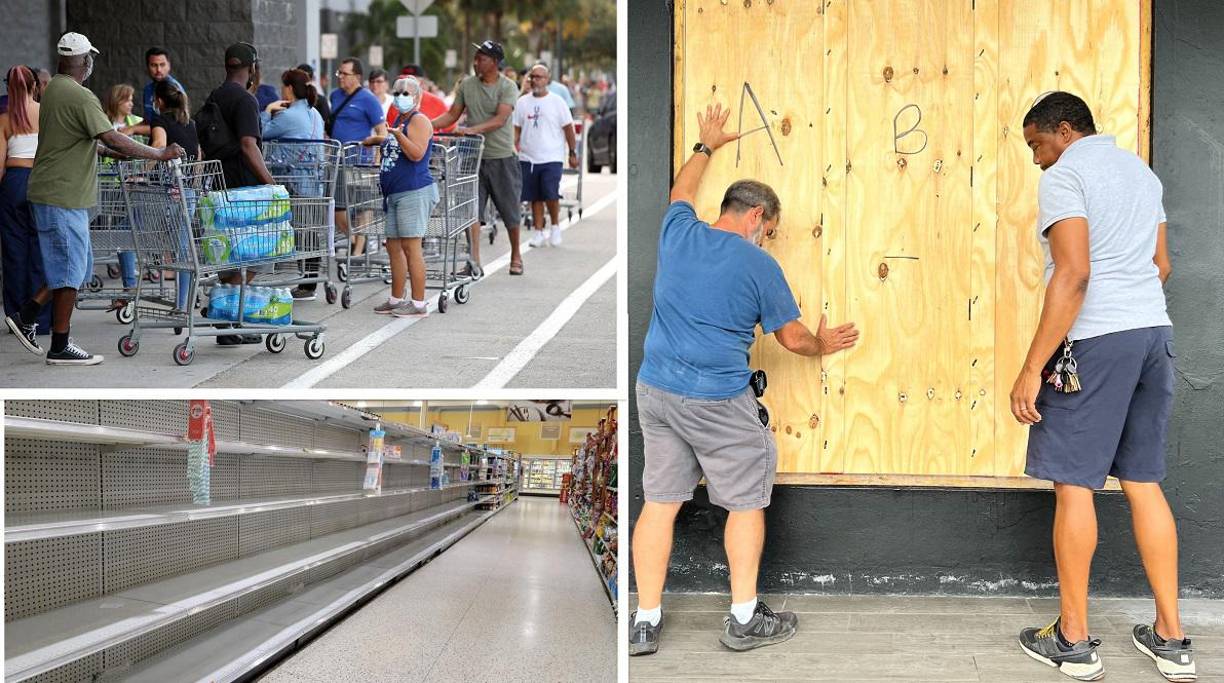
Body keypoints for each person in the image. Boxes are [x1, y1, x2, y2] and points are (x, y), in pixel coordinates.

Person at [629, 103, 858, 656]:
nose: (769, 240)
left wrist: (707, 145)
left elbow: (681, 189)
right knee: (745, 504)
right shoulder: (759, 267)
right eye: (771, 231)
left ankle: (645, 620)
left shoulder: (677, 231)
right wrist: (824, 344)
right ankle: (743, 619)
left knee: (660, 503)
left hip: (655, 390)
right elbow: (793, 338)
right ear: (756, 217)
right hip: (716, 400)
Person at [1011, 92, 1192, 683]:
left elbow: (1075, 272)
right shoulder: (1141, 173)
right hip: (1152, 336)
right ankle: (1171, 638)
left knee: (1075, 485)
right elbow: (1161, 266)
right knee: (1143, 483)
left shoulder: (1068, 175)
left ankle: (1074, 639)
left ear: (1064, 132)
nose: (1037, 158)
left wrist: (1032, 368)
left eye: (1037, 143)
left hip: (1096, 341)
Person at [4, 32, 182, 365]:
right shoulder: (80, 96)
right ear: (85, 61)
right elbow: (113, 135)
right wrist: (159, 153)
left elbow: (75, 138)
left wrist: (110, 151)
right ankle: (60, 345)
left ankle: (27, 313)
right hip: (63, 195)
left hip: (54, 191)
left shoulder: (54, 87)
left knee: (76, 266)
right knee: (71, 269)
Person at [198, 41, 278, 345]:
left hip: (220, 186)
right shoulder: (245, 100)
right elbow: (249, 145)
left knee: (232, 255)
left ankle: (229, 323)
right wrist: (271, 185)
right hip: (245, 188)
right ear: (252, 68)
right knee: (254, 255)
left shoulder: (214, 96)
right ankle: (228, 316)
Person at [293, 56, 385, 301]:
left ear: (357, 76)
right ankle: (357, 242)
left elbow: (381, 131)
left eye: (344, 73)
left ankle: (358, 245)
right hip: (336, 161)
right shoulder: (335, 96)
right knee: (336, 210)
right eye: (339, 74)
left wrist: (376, 157)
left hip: (358, 162)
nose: (341, 77)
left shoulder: (368, 99)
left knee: (352, 208)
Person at [431, 40, 524, 274]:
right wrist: (425, 125)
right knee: (470, 209)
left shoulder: (508, 86)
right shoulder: (467, 85)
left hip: (501, 156)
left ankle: (516, 255)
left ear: (494, 62)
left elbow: (501, 119)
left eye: (482, 58)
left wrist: (472, 129)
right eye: (476, 57)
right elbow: (452, 114)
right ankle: (473, 260)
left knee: (509, 210)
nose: (476, 62)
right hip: (473, 157)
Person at [374, 76, 436, 318]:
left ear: (417, 97)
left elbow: (417, 153)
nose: (400, 97)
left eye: (406, 93)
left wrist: (398, 136)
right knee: (393, 246)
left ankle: (419, 303)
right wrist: (379, 139)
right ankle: (396, 298)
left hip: (414, 190)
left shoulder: (419, 120)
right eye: (397, 92)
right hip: (396, 192)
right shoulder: (401, 120)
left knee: (412, 248)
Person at [0, 65, 51, 335]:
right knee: (42, 250)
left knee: (14, 252)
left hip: (14, 183)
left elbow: (0, 166)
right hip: (42, 181)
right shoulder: (46, 114)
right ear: (36, 87)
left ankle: (15, 317)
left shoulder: (5, 119)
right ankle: (39, 320)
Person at [147, 79, 199, 314]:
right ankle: (182, 305)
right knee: (183, 250)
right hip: (187, 191)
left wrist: (140, 173)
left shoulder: (160, 120)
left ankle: (129, 286)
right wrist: (193, 186)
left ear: (158, 101)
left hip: (164, 192)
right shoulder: (191, 124)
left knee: (126, 230)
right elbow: (198, 157)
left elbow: (159, 145)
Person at [514, 63, 577, 248]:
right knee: (535, 196)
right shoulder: (522, 102)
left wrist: (572, 153)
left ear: (547, 79)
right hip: (528, 157)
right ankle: (538, 231)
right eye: (532, 76)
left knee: (550, 193)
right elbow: (516, 129)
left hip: (552, 157)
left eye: (539, 77)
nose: (535, 80)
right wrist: (512, 147)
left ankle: (555, 227)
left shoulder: (557, 102)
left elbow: (568, 129)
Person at [102, 83, 147, 305]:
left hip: (137, 187)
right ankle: (130, 281)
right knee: (124, 230)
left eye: (132, 99)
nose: (131, 103)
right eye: (127, 99)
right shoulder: (103, 125)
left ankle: (130, 283)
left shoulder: (137, 124)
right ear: (116, 101)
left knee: (126, 231)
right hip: (113, 188)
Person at [261, 68, 325, 141]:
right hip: (314, 153)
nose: (281, 89)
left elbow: (260, 133)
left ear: (289, 89)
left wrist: (268, 109)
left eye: (283, 86)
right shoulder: (317, 114)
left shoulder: (287, 115)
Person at [386, 65, 451, 132]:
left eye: (411, 81)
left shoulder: (437, 103)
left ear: (421, 83)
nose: (405, 84)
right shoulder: (396, 104)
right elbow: (389, 131)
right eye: (403, 80)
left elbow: (450, 129)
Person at [141, 47, 182, 120]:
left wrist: (134, 128)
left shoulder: (174, 89)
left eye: (162, 65)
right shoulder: (147, 89)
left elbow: (172, 124)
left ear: (169, 66)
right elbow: (147, 121)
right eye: (154, 65)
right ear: (147, 67)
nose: (158, 70)